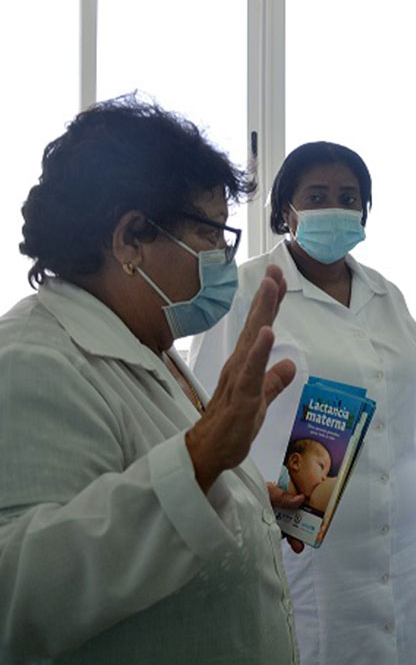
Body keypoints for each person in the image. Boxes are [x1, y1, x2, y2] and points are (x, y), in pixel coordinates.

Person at [0, 96, 301, 663]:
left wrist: (247, 500)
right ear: (131, 238)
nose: (223, 255)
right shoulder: (31, 361)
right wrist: (204, 457)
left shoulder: (151, 347)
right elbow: (19, 597)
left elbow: (154, 493)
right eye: (212, 233)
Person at [190, 141, 416, 665]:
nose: (334, 208)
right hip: (303, 549)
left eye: (349, 197)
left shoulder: (389, 296)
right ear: (284, 210)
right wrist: (247, 494)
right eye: (316, 196)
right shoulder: (247, 291)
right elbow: (200, 413)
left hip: (405, 545)